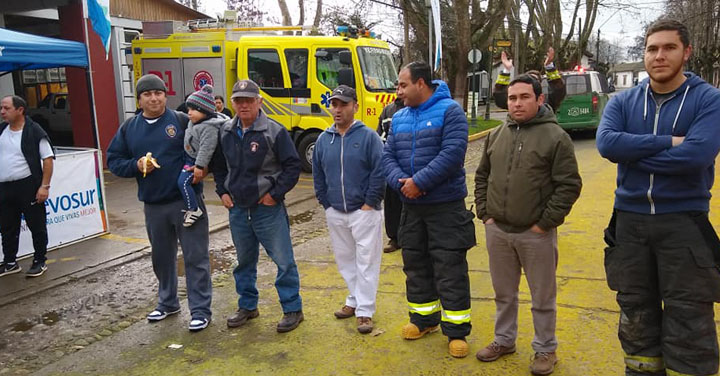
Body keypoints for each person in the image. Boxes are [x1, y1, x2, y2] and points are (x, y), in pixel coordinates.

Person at [596, 19, 720, 376]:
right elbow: (607, 144)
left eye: (669, 48)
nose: (659, 56)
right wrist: (671, 141)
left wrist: (632, 152)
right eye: (652, 49)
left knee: (690, 317)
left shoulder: (708, 100)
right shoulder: (624, 101)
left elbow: (697, 155)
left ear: (687, 52)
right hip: (630, 223)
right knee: (636, 313)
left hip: (683, 223)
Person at [474, 74, 582, 375]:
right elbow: (482, 176)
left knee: (542, 298)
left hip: (536, 234)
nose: (517, 103)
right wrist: (486, 213)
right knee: (503, 294)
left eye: (524, 97)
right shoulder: (497, 134)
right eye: (512, 98)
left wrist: (545, 223)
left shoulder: (555, 137)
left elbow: (569, 185)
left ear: (539, 99)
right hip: (498, 231)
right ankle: (504, 340)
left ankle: (546, 349)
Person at [383, 62, 476, 358]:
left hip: (445, 207)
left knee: (450, 268)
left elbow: (452, 154)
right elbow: (387, 156)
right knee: (415, 264)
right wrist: (402, 185)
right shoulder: (398, 118)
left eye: (402, 85)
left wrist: (419, 183)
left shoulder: (451, 111)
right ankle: (424, 320)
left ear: (421, 83)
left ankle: (456, 331)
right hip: (411, 207)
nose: (398, 92)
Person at [107, 74, 212, 332]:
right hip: (153, 205)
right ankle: (168, 302)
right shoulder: (129, 128)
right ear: (139, 99)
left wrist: (204, 168)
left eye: (158, 93)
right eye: (147, 94)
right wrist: (137, 165)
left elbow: (210, 142)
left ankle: (200, 310)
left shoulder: (182, 121)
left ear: (166, 95)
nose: (154, 98)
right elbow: (113, 161)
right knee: (161, 258)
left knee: (195, 257)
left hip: (187, 202)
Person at [214, 79, 304, 333]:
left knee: (284, 261)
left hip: (267, 209)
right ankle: (248, 306)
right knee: (243, 261)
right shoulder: (226, 131)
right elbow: (219, 166)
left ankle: (293, 309)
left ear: (259, 102)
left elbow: (292, 166)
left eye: (249, 100)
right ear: (232, 103)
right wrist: (222, 191)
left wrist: (274, 194)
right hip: (239, 209)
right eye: (239, 100)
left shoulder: (274, 131)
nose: (243, 105)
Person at [313, 85, 385, 334]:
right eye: (334, 104)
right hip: (336, 211)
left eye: (343, 104)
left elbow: (379, 170)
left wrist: (369, 202)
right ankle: (354, 300)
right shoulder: (324, 139)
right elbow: (318, 173)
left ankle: (365, 311)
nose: (338, 109)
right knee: (346, 261)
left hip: (364, 211)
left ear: (355, 106)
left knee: (366, 261)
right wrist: (326, 202)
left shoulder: (368, 137)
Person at [0, 95, 54, 278]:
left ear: (20, 110)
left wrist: (44, 186)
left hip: (28, 186)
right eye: (1, 108)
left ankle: (40, 260)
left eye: (6, 108)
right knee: (7, 226)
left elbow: (47, 159)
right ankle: (9, 262)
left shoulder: (34, 131)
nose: (2, 112)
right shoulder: (1, 131)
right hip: (5, 187)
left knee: (36, 225)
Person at [177, 85, 228, 227]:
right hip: (189, 157)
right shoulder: (195, 122)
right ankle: (192, 207)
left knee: (183, 182)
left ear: (204, 111)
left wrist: (199, 166)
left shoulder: (209, 127)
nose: (189, 113)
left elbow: (207, 148)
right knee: (185, 183)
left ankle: (194, 209)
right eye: (188, 110)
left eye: (193, 110)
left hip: (195, 161)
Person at [493, 47, 566, 113]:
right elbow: (500, 97)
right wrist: (506, 70)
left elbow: (558, 90)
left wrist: (549, 66)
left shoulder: (547, 103)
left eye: (535, 80)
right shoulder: (517, 102)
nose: (518, 104)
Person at [377, 92, 405, 253]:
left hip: (410, 169)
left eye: (404, 85)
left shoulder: (417, 109)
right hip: (392, 169)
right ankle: (394, 238)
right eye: (398, 86)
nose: (400, 90)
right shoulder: (388, 111)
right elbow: (381, 138)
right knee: (392, 204)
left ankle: (409, 238)